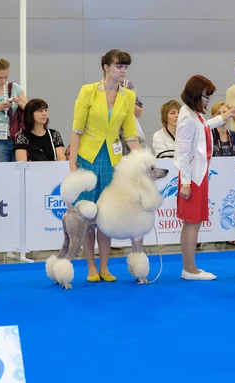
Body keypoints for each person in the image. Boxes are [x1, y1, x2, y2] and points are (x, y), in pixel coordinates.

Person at [69, 49, 140, 282]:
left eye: (125, 67)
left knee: (107, 214)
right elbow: (77, 129)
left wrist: (143, 163)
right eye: (119, 65)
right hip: (89, 158)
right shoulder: (88, 91)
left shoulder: (128, 96)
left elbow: (130, 134)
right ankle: (90, 266)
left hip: (114, 160)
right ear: (106, 67)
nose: (123, 70)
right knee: (88, 213)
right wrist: (73, 164)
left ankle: (105, 266)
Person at [174, 75, 235, 280]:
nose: (208, 100)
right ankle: (189, 269)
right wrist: (185, 183)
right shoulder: (186, 117)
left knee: (193, 223)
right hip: (192, 178)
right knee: (192, 223)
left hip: (197, 175)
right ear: (196, 95)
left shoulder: (193, 114)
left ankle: (189, 267)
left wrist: (226, 116)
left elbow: (205, 126)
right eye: (206, 96)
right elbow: (182, 152)